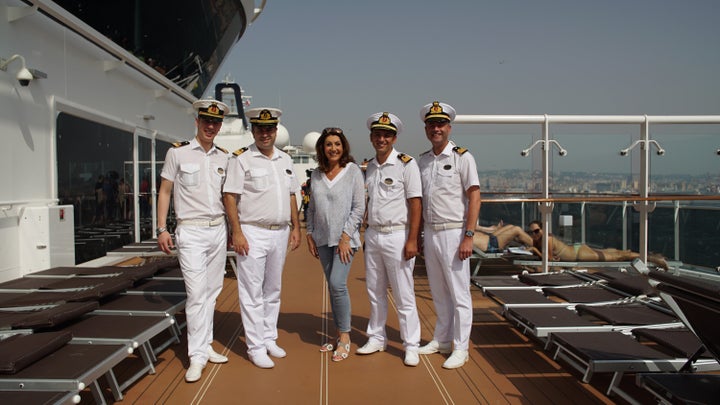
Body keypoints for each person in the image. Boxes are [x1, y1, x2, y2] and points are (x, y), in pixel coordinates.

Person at [156, 98, 230, 383]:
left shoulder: (225, 157)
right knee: (197, 294)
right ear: (197, 122)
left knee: (212, 292)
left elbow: (230, 197)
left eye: (216, 123)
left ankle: (206, 344)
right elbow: (164, 191)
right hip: (191, 230)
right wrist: (162, 228)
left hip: (217, 229)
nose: (211, 126)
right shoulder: (178, 153)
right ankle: (196, 356)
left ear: (220, 126)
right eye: (206, 121)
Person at [223, 107, 301, 369]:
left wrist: (296, 227)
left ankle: (269, 338)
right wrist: (237, 231)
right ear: (253, 131)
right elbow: (230, 197)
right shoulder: (241, 159)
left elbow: (291, 195)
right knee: (251, 292)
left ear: (276, 131)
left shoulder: (285, 160)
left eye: (269, 129)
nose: (265, 133)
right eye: (260, 129)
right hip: (252, 231)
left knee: (273, 290)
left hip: (280, 232)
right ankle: (255, 347)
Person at [417, 101, 481, 369]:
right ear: (426, 128)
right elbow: (419, 200)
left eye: (440, 124)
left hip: (455, 232)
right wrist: (419, 233)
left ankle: (461, 347)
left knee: (459, 293)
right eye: (431, 124)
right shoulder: (422, 161)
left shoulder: (462, 157)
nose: (436, 128)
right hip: (430, 233)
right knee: (439, 291)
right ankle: (442, 340)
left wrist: (469, 235)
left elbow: (475, 195)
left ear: (449, 127)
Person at [356, 112, 422, 366]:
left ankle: (411, 344)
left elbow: (415, 203)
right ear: (372, 137)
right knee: (374, 290)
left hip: (397, 234)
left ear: (394, 138)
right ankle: (376, 337)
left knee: (404, 293)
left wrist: (413, 239)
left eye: (386, 135)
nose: (381, 138)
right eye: (377, 134)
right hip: (373, 235)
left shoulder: (407, 164)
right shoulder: (370, 166)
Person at [305, 127, 365, 362]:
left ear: (344, 147)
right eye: (329, 144)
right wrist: (309, 233)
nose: (333, 148)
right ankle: (339, 333)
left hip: (345, 241)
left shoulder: (353, 172)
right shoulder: (317, 175)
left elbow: (359, 207)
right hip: (322, 239)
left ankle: (345, 337)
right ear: (322, 147)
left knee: (337, 284)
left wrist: (346, 237)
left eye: (337, 144)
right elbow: (311, 208)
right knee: (332, 285)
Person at [527, 220, 669, 269]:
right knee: (613, 253)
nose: (534, 234)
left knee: (617, 258)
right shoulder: (539, 239)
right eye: (532, 232)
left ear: (543, 229)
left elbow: (549, 260)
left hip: (579, 254)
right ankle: (642, 255)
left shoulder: (546, 239)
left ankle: (653, 259)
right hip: (577, 249)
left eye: (537, 231)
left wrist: (534, 249)